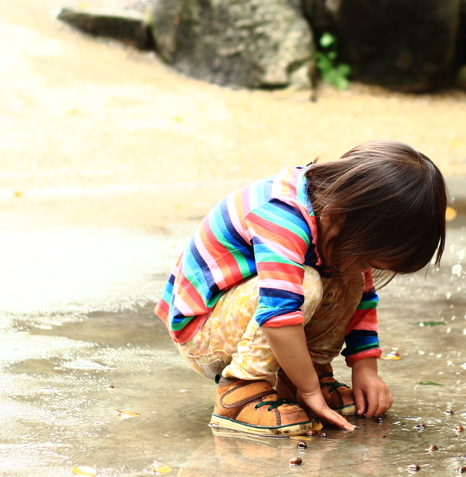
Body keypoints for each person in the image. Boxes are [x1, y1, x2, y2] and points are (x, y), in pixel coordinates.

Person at [155, 140, 447, 436]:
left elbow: (363, 300)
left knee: (349, 278)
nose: (367, 268)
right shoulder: (282, 215)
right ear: (347, 217)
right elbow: (277, 314)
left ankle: (305, 377)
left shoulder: (341, 220)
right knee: (305, 283)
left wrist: (366, 369)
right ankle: (241, 391)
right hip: (202, 333)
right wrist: (309, 393)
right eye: (368, 259)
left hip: (251, 318)